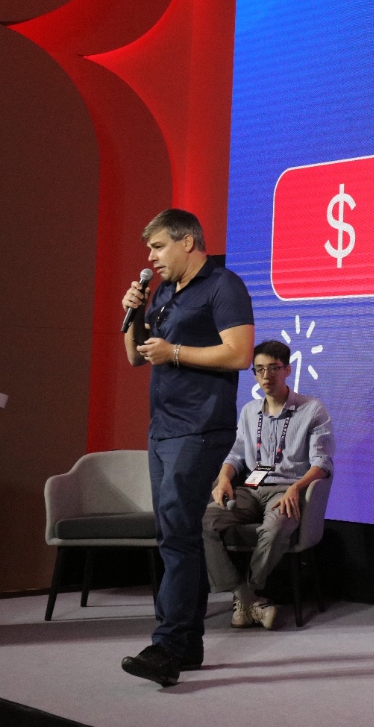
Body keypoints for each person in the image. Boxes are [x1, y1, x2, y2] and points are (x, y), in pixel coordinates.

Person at [118, 209, 254, 688]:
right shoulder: (162, 292)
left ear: (188, 242)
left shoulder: (223, 286)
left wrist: (174, 352)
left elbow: (240, 353)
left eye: (158, 247)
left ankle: (168, 647)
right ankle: (188, 645)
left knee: (176, 535)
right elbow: (135, 357)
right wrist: (134, 314)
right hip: (163, 429)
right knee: (176, 536)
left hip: (199, 429)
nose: (151, 258)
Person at [202, 340, 334, 628]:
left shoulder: (312, 410)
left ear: (287, 369)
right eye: (259, 369)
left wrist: (296, 488)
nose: (266, 376)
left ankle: (248, 597)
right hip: (252, 489)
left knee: (273, 530)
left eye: (273, 368)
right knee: (208, 520)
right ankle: (247, 598)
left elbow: (322, 463)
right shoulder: (249, 411)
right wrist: (224, 477)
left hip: (288, 490)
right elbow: (236, 454)